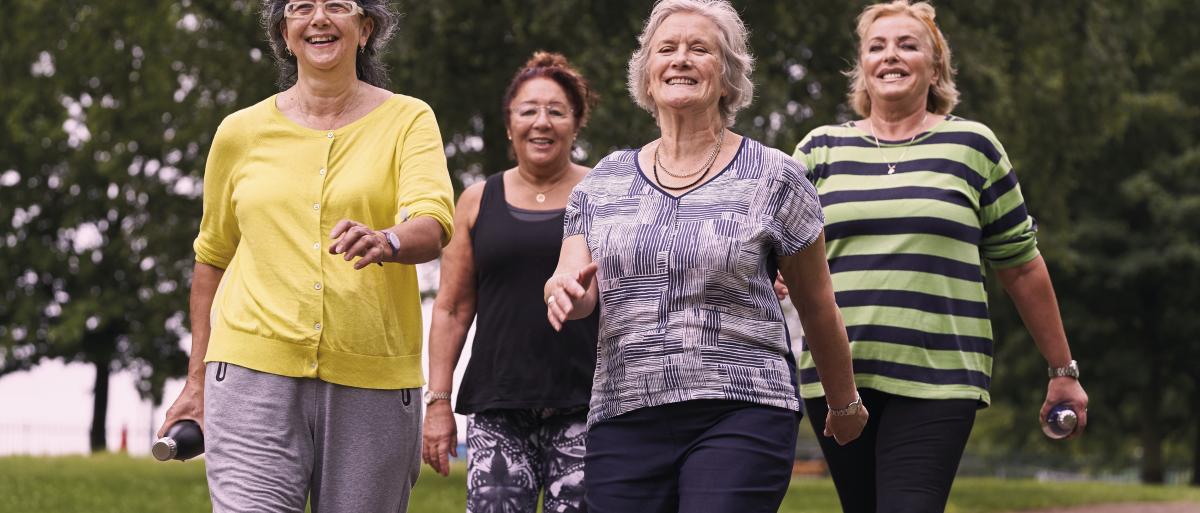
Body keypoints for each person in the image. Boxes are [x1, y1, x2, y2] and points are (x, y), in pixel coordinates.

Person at [544, 1, 868, 511]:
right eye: (666, 49)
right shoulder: (603, 181)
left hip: (742, 408)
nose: (681, 59)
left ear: (728, 78)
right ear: (647, 78)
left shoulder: (775, 176)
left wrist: (843, 401)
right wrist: (568, 293)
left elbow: (817, 302)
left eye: (700, 49)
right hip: (625, 412)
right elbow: (572, 281)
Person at [790, 2, 1090, 512]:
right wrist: (779, 273)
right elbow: (774, 245)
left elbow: (1020, 265)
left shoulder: (973, 146)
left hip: (940, 374)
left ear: (935, 66)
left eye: (908, 45)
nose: (891, 56)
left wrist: (1063, 369)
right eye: (877, 47)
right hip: (837, 378)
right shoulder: (820, 150)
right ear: (861, 65)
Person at [157, 1, 455, 511]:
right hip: (251, 374)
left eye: (337, 5)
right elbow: (212, 260)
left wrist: (389, 241)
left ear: (365, 29)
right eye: (301, 7)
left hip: (374, 384)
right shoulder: (239, 133)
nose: (319, 17)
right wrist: (196, 382)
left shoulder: (409, 119)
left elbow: (434, 222)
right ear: (286, 33)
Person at [420, 51, 599, 513]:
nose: (542, 122)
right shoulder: (478, 200)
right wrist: (438, 402)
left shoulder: (605, 193)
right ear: (508, 126)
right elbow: (452, 308)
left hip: (588, 403)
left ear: (576, 125)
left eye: (556, 111)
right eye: (528, 111)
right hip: (499, 405)